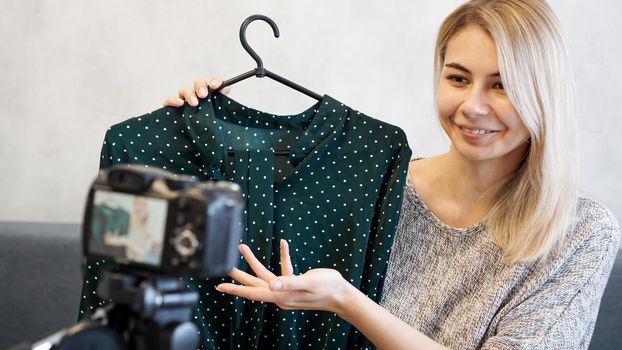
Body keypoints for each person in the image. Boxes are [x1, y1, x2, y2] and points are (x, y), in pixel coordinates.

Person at [161, 0, 619, 348]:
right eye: (458, 79)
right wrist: (191, 134)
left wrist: (347, 301)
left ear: (544, 92)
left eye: (502, 85)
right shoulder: (377, 184)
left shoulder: (580, 233)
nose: (472, 106)